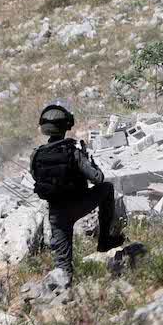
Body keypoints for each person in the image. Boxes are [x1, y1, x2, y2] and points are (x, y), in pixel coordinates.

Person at [29, 102, 136, 281]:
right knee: (107, 189)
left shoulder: (36, 155)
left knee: (62, 266)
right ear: (66, 127)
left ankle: (63, 291)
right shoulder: (73, 153)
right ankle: (104, 240)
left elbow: (37, 179)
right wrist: (90, 162)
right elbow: (98, 179)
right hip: (80, 203)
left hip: (57, 213)